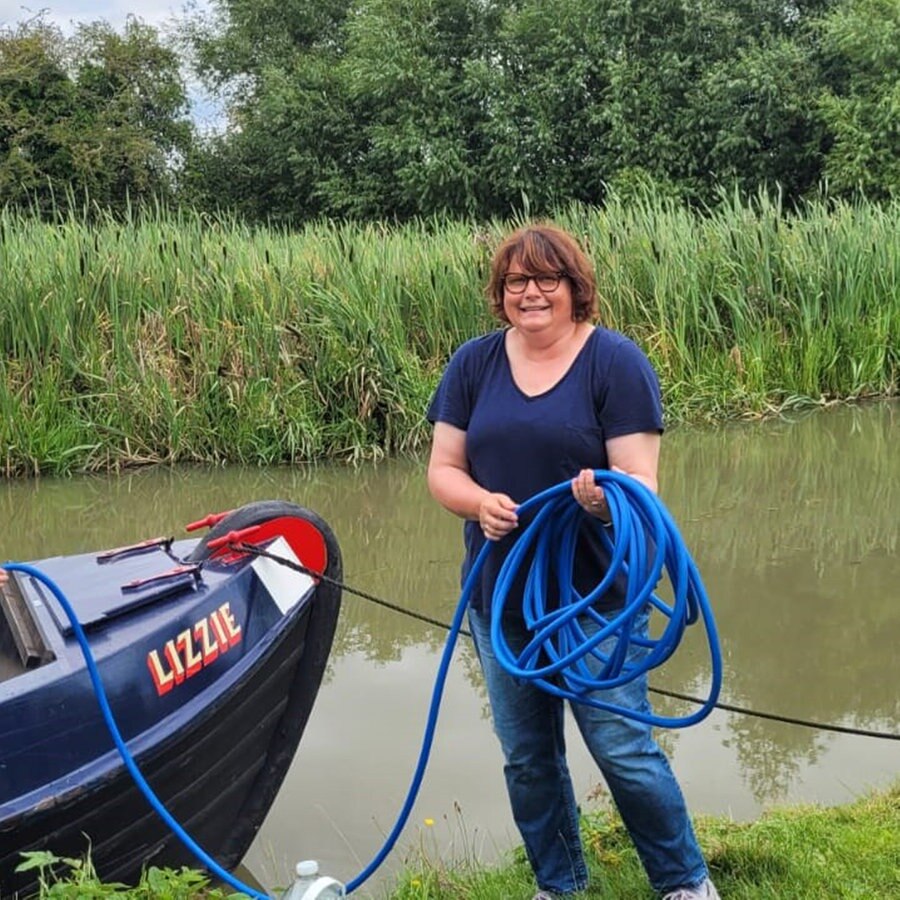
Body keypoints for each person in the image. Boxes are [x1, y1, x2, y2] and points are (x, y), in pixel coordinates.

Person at [426, 223, 719, 900]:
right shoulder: (473, 365)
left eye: (545, 279)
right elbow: (443, 469)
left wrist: (600, 504)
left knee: (621, 747)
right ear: (500, 294)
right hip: (501, 598)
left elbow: (639, 483)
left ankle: (684, 882)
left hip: (597, 596)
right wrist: (476, 503)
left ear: (574, 288)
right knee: (528, 760)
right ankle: (560, 886)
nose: (530, 293)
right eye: (515, 282)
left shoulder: (614, 362)